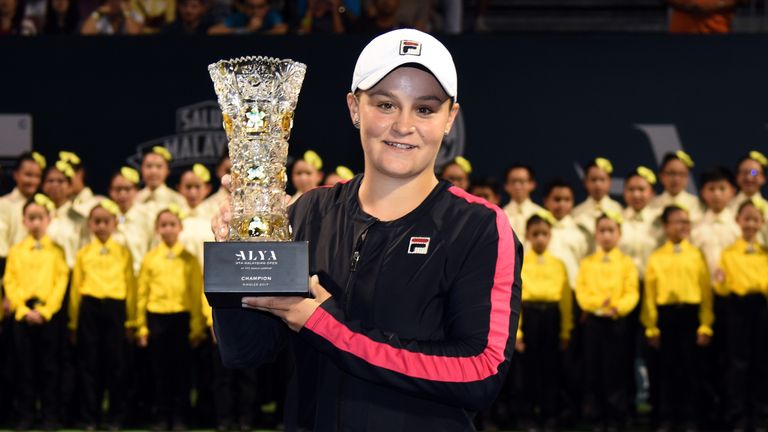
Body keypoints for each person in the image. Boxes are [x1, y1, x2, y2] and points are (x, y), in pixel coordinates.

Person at [212, 28, 521, 431]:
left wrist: (326, 325)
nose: (404, 125)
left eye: (425, 109)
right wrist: (232, 263)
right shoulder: (309, 212)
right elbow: (245, 352)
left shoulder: (478, 226)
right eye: (385, 104)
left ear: (450, 119)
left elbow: (479, 373)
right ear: (354, 107)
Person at [642, 205, 713, 432]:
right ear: (666, 227)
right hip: (665, 317)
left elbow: (705, 293)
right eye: (678, 222)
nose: (684, 226)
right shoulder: (657, 256)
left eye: (686, 222)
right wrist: (652, 326)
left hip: (690, 316)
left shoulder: (696, 254)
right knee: (664, 371)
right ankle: (665, 417)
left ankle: (689, 418)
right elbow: (650, 295)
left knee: (691, 371)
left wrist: (705, 324)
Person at [3, 193, 69, 431]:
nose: (35, 223)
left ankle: (50, 415)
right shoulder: (17, 251)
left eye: (40, 217)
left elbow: (60, 283)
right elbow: (10, 282)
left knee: (50, 368)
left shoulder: (57, 251)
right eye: (31, 218)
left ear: (48, 220)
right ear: (23, 221)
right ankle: (26, 414)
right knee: (24, 368)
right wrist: (22, 309)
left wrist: (46, 311)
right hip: (23, 316)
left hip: (48, 316)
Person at [68, 199, 136, 430]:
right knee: (89, 365)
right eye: (96, 222)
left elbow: (130, 286)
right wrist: (73, 323)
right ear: (89, 224)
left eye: (105, 221)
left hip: (115, 310)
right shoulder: (84, 253)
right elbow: (76, 289)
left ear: (114, 223)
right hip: (90, 309)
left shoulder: (123, 253)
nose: (101, 226)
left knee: (115, 365)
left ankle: (115, 416)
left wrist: (131, 320)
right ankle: (90, 417)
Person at [136, 207, 205, 431]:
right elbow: (142, 294)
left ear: (180, 227)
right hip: (156, 318)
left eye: (172, 224)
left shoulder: (190, 259)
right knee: (159, 372)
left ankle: (181, 417)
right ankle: (161, 416)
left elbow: (196, 294)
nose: (168, 229)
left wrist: (196, 327)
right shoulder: (150, 259)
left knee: (182, 372)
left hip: (181, 320)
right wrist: (141, 327)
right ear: (157, 229)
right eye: (163, 225)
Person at [576, 212, 639, 430]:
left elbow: (632, 292)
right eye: (602, 231)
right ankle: (596, 415)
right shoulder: (587, 263)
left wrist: (618, 307)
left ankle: (616, 417)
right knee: (593, 369)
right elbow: (582, 292)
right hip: (594, 322)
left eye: (611, 230)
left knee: (616, 371)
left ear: (619, 234)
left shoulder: (627, 263)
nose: (606, 236)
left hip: (617, 322)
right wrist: (596, 305)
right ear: (596, 234)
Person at [516, 211, 572, 431]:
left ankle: (550, 415)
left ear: (550, 236)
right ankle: (526, 415)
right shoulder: (520, 262)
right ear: (528, 236)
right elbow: (516, 298)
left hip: (551, 318)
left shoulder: (558, 264)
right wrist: (517, 332)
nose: (540, 238)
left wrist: (566, 330)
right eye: (535, 234)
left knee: (551, 369)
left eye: (544, 234)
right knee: (527, 371)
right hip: (529, 317)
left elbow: (565, 300)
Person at [714, 199, 768, 431]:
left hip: (762, 309)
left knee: (761, 362)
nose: (750, 224)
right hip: (736, 310)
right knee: (737, 364)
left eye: (755, 219)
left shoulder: (765, 253)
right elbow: (722, 285)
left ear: (762, 223)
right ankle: (737, 416)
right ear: (737, 221)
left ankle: (760, 415)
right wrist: (721, 284)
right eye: (746, 218)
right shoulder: (728, 253)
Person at [42, 159, 90, 268]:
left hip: (71, 273)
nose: (55, 185)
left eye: (61, 181)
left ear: (70, 187)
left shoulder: (79, 216)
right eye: (50, 181)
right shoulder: (38, 215)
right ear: (43, 186)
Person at [0, 152, 45, 260]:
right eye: (28, 175)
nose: (33, 180)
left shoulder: (45, 205)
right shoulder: (4, 204)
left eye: (37, 176)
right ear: (16, 174)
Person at [572, 157, 623, 237]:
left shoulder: (619, 209)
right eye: (593, 180)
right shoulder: (577, 212)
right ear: (585, 182)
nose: (597, 184)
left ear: (610, 182)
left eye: (602, 179)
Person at [648, 151, 703, 224]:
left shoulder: (698, 204)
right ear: (661, 176)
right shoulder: (651, 204)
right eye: (671, 173)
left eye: (681, 174)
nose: (676, 179)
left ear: (687, 178)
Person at [728, 151, 768, 243]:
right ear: (737, 177)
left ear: (763, 178)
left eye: (754, 173)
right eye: (744, 172)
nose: (749, 177)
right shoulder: (727, 207)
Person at [502, 164, 542, 239]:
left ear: (532, 184)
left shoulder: (542, 215)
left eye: (522, 181)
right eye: (513, 181)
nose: (517, 186)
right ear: (506, 186)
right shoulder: (500, 215)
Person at [207, 0, 287, 35]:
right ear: (245, 7)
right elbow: (213, 31)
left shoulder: (272, 15)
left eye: (260, 7)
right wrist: (247, 30)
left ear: (267, 7)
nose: (255, 11)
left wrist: (258, 34)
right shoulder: (238, 16)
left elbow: (282, 29)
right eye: (251, 7)